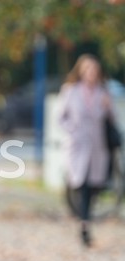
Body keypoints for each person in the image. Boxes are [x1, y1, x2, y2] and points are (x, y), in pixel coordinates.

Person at [58, 54, 115, 247]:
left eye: (95, 71)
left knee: (94, 187)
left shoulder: (103, 92)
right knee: (81, 186)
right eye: (88, 70)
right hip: (78, 146)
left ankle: (85, 221)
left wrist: (108, 106)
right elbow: (61, 117)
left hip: (98, 147)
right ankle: (84, 226)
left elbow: (112, 120)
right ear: (81, 71)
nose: (92, 74)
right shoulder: (71, 91)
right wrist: (73, 130)